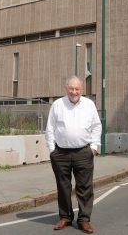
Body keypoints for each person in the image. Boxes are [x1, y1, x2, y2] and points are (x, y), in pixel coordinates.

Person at [46, 76, 101, 234]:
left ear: (81, 90)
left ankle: (84, 220)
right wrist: (52, 150)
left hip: (83, 152)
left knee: (84, 187)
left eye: (77, 89)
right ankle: (65, 217)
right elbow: (50, 128)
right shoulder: (57, 105)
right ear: (66, 89)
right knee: (63, 187)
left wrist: (94, 147)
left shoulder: (89, 105)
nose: (74, 92)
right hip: (61, 153)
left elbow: (97, 126)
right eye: (71, 89)